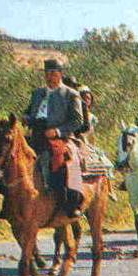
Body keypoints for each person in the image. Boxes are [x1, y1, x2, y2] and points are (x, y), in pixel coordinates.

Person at [22, 59, 85, 218]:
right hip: (36, 133)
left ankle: (69, 201)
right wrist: (26, 117)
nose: (49, 76)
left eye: (53, 73)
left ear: (60, 74)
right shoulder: (37, 93)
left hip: (58, 136)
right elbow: (30, 111)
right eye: (47, 73)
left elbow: (78, 121)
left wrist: (57, 131)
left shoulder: (70, 94)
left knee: (61, 161)